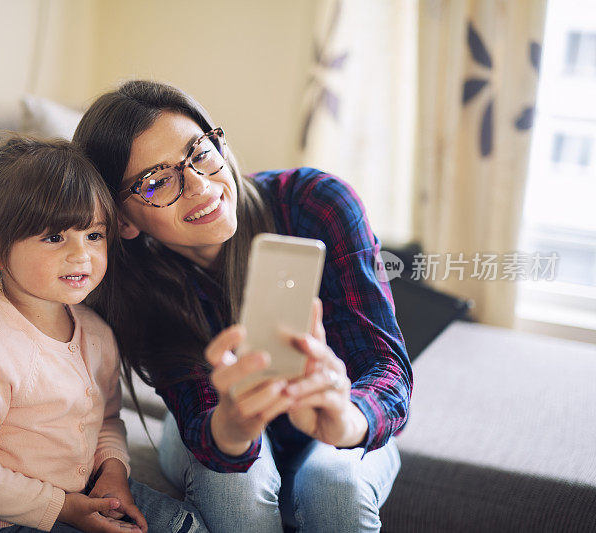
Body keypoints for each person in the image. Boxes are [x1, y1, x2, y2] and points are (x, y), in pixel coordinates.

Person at [74, 80, 413, 533]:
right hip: (215, 421)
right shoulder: (136, 290)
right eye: (156, 182)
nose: (198, 184)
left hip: (336, 413)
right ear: (124, 221)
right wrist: (232, 425)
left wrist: (347, 420)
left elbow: (385, 366)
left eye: (199, 152)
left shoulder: (315, 204)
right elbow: (201, 418)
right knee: (235, 483)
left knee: (335, 485)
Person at [0, 135, 203, 533]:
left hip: (83, 492)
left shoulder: (96, 333)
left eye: (93, 235)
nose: (81, 255)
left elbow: (107, 419)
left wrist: (113, 471)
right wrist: (63, 507)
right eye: (55, 237)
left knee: (185, 524)